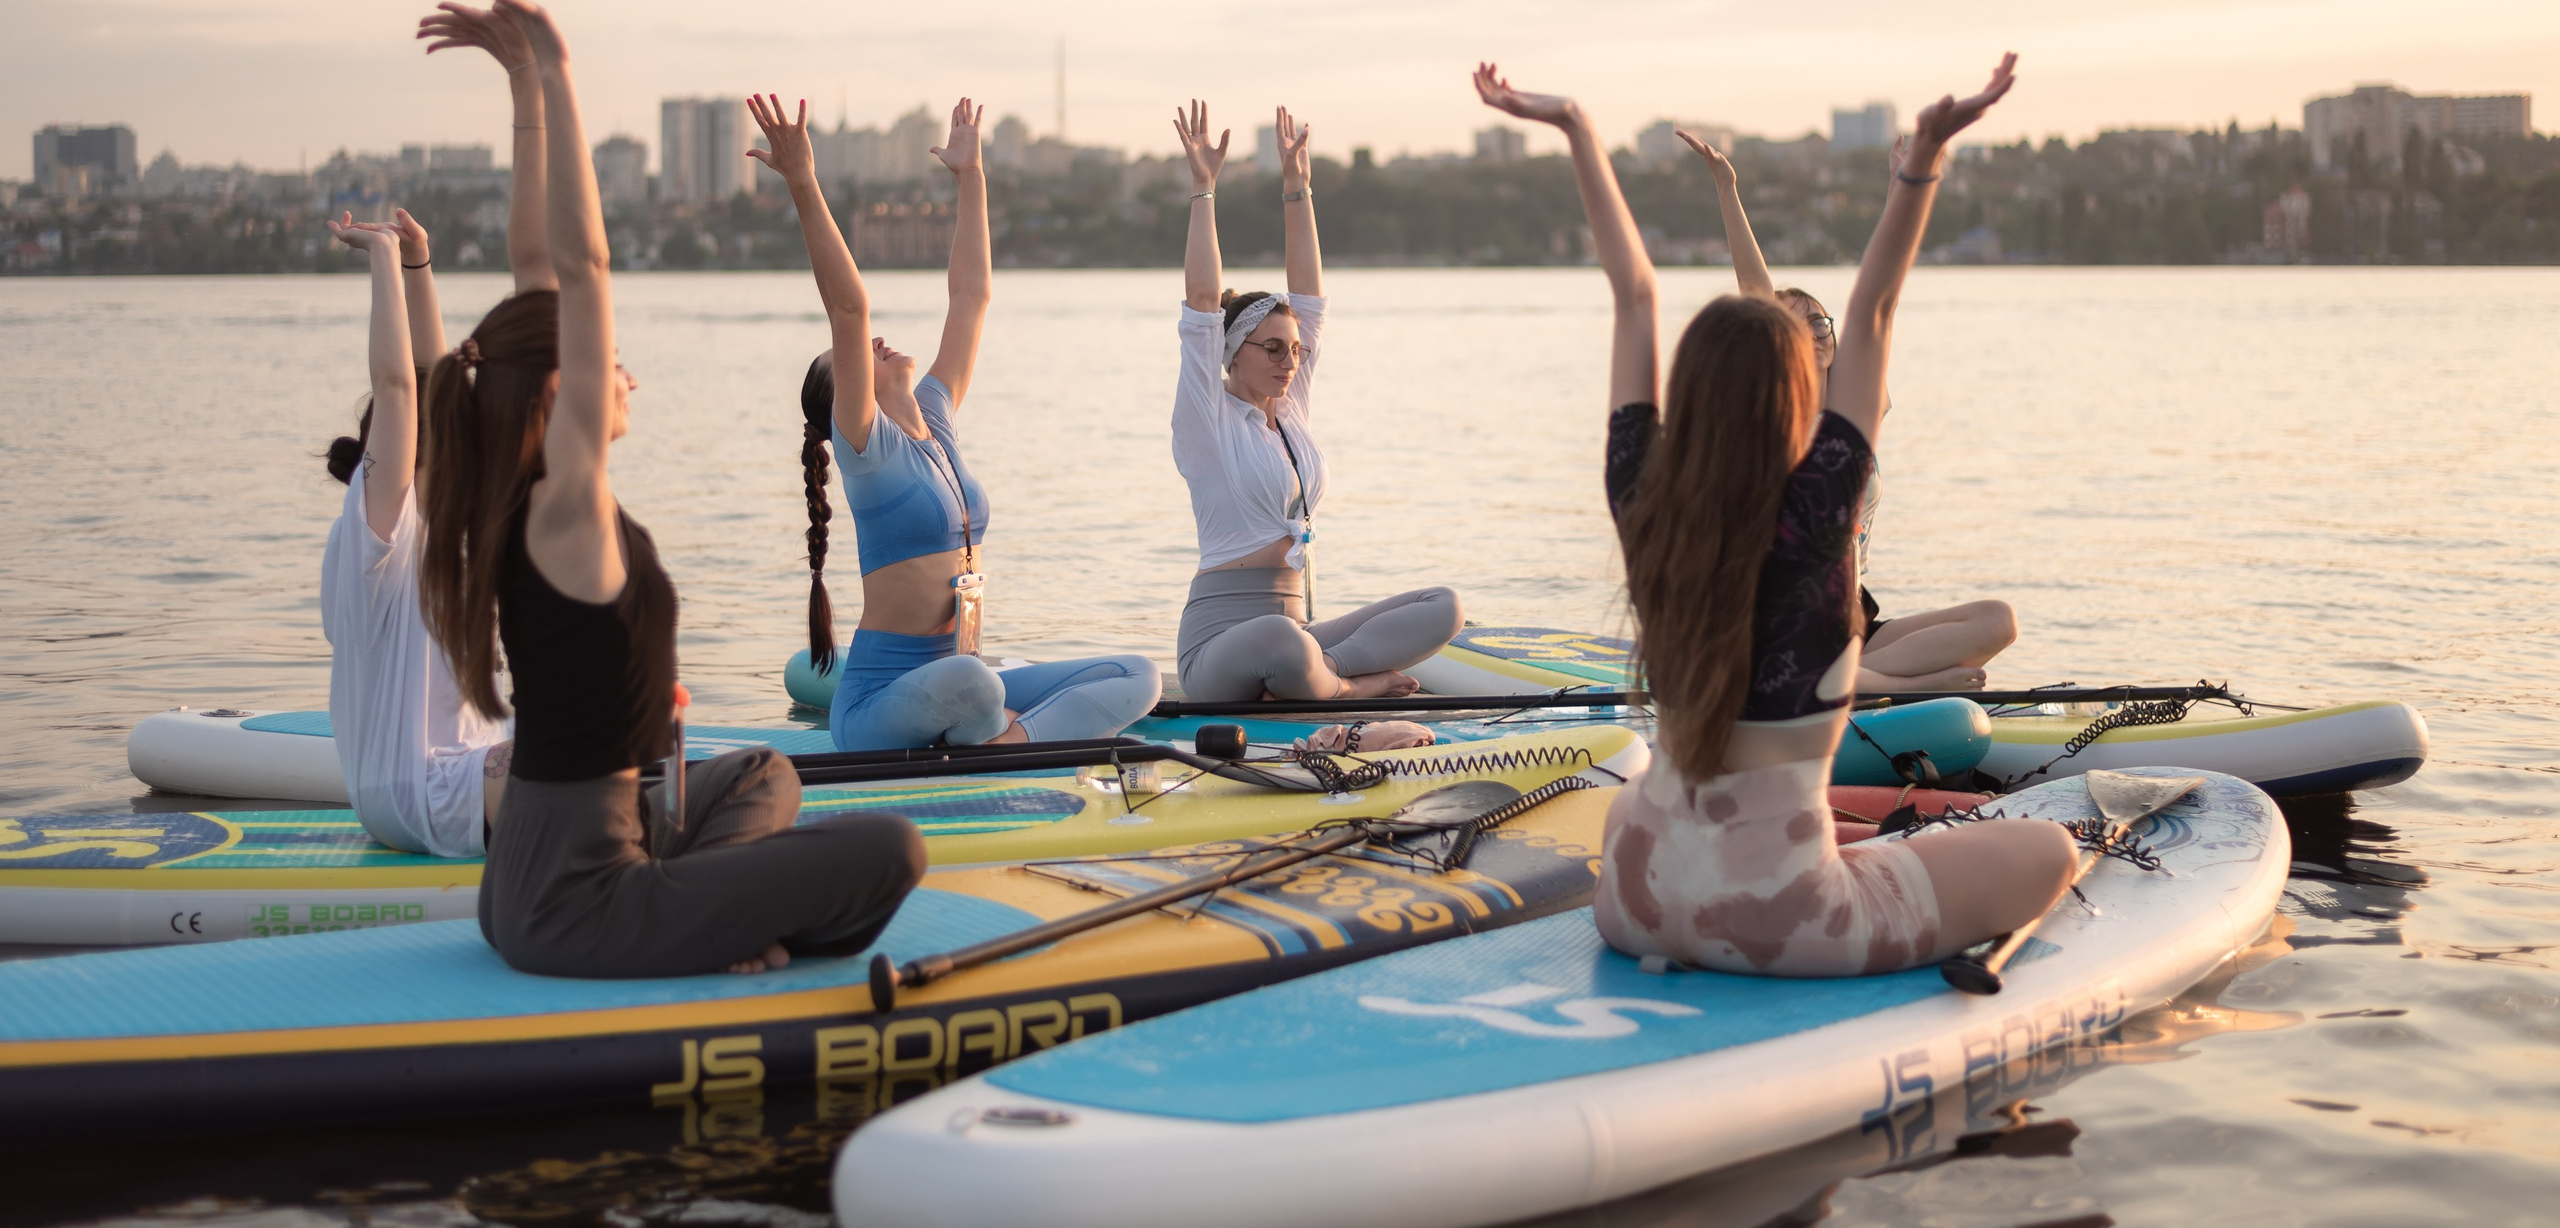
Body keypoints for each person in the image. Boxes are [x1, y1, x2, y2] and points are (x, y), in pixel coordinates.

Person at [1476, 56, 2074, 977]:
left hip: (1630, 899)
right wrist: (1921, 159)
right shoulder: (1820, 510)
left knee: (1654, 803)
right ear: (1799, 394)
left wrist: (1576, 128)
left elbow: (1634, 294)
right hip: (1779, 919)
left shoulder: (1645, 502)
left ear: (1691, 392)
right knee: (2051, 852)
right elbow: (1873, 312)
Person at [419, 0, 923, 978]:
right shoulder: (564, 504)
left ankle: (710, 912)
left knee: (765, 772)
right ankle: (709, 925)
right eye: (608, 365)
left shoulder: (522, 497)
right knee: (893, 850)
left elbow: (537, 271)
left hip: (540, 870)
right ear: (557, 395)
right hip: (581, 899)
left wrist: (524, 90)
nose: (627, 375)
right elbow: (580, 270)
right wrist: (560, 67)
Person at [748, 93, 1159, 752]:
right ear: (845, 394)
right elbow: (849, 309)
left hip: (957, 680)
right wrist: (803, 182)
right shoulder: (867, 448)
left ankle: (1007, 741)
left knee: (1138, 675)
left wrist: (972, 177)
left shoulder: (935, 418)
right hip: (881, 702)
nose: (873, 343)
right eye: (850, 359)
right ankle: (1005, 733)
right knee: (975, 682)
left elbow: (971, 296)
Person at [1677, 128, 2017, 693]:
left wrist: (1902, 185)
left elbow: (1882, 298)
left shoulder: (1858, 412)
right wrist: (1727, 189)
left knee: (1997, 621)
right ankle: (1900, 687)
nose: (1814, 330)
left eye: (1819, 320)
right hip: (1782, 627)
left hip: (1849, 622)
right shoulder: (1776, 421)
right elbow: (1755, 289)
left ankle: (1863, 680)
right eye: (1795, 324)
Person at [1167, 100, 1462, 703]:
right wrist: (1204, 189)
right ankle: (1351, 686)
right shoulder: (1207, 420)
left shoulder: (1291, 412)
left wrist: (1297, 189)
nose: (1289, 361)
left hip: (1300, 633)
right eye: (1273, 348)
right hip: (1220, 643)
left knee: (1444, 606)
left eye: (1295, 351)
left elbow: (1310, 299)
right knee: (1280, 639)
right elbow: (1200, 302)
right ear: (1232, 352)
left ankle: (1321, 675)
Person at [319, 205, 508, 857]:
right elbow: (399, 385)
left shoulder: (452, 526)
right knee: (582, 763)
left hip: (465, 771)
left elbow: (436, 377)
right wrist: (381, 258)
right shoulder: (379, 538)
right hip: (416, 788)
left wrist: (418, 262)